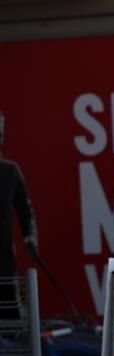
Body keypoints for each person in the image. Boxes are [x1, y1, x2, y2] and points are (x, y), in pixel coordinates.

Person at [0, 111, 38, 321]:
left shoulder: (9, 172)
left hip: (4, 267)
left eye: (0, 135)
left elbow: (26, 212)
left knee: (12, 325)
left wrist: (30, 237)